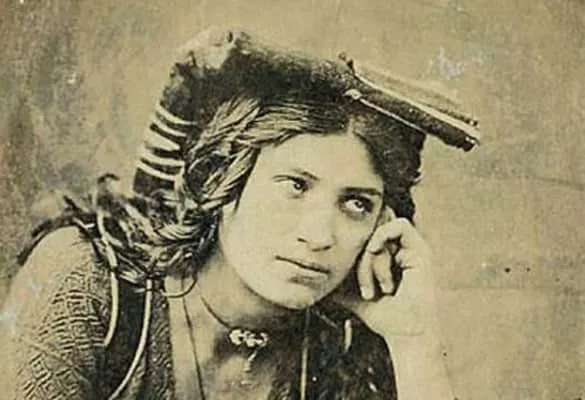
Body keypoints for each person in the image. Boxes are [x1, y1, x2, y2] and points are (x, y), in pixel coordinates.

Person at [0, 27, 480, 399]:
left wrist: (414, 341)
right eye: (294, 186)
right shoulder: (91, 282)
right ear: (223, 181)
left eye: (357, 204)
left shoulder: (344, 339)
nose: (319, 236)